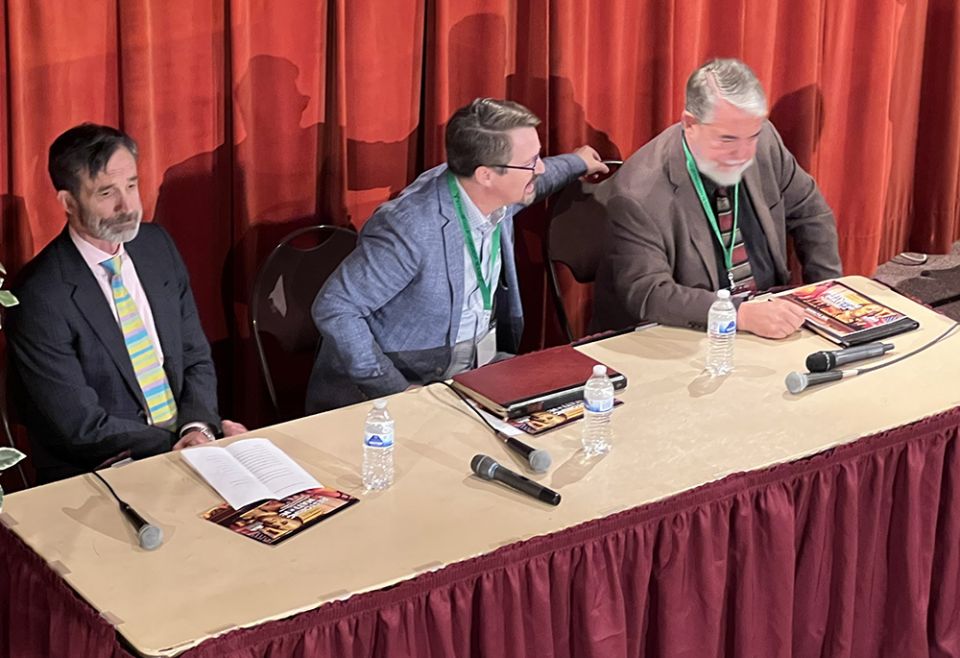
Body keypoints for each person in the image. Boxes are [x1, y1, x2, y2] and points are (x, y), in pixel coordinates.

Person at [306, 98, 608, 412]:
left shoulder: (493, 189)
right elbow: (335, 307)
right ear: (486, 175)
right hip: (401, 390)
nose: (540, 167)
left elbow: (539, 181)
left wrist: (577, 162)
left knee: (580, 403)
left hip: (476, 372)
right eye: (532, 161)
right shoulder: (411, 227)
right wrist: (395, 389)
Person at [6, 123, 246, 483]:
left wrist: (198, 428)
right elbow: (80, 426)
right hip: (100, 470)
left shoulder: (156, 247)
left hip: (189, 446)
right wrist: (181, 444)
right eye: (106, 193)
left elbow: (195, 354)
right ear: (68, 202)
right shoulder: (40, 295)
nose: (127, 205)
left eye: (132, 185)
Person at [593, 58, 842, 338]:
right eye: (727, 140)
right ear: (690, 124)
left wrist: (825, 296)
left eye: (752, 137)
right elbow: (649, 294)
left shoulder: (764, 140)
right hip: (685, 336)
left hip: (767, 318)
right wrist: (738, 314)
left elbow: (811, 213)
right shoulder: (638, 193)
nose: (744, 154)